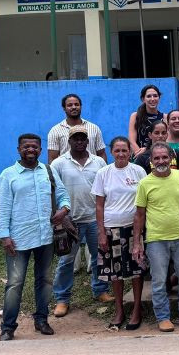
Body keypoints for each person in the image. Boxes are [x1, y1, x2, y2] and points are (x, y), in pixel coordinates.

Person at [0, 134, 71, 341]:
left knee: (44, 280)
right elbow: (2, 208)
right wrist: (4, 236)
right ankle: (8, 327)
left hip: (45, 237)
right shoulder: (9, 175)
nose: (31, 150)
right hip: (18, 240)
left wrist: (64, 210)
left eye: (35, 147)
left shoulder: (48, 171)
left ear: (40, 149)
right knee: (15, 283)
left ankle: (41, 320)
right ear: (18, 149)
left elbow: (63, 195)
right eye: (26, 146)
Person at [132, 142, 179, 332]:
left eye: (164, 157)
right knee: (159, 281)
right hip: (156, 240)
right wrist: (137, 242)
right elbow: (139, 215)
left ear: (172, 158)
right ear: (151, 161)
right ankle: (163, 317)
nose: (161, 161)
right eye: (156, 158)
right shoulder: (145, 183)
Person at [51, 125, 110, 317]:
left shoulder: (99, 162)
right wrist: (60, 215)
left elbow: (105, 190)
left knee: (99, 256)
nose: (79, 141)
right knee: (66, 261)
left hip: (95, 219)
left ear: (87, 141)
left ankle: (100, 290)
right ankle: (62, 299)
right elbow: (52, 192)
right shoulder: (59, 163)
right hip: (70, 221)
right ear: (69, 141)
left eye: (82, 138)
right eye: (75, 138)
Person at [93, 136, 147, 330]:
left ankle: (136, 309)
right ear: (111, 152)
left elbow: (144, 200)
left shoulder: (138, 171)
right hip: (111, 229)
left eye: (125, 150)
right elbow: (99, 206)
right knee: (115, 272)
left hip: (134, 229)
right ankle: (119, 309)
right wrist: (100, 233)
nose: (121, 154)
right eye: (117, 150)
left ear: (130, 152)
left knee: (136, 270)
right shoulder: (103, 173)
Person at [47, 93, 107, 163]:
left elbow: (101, 154)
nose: (74, 107)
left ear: (81, 106)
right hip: (67, 172)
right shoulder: (55, 131)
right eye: (70, 105)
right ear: (64, 108)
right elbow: (52, 158)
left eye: (76, 104)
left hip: (92, 171)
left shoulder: (94, 128)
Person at [128, 85, 164, 157]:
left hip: (158, 156)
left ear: (159, 98)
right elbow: (131, 141)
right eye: (149, 96)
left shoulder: (164, 117)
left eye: (155, 96)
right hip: (138, 156)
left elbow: (165, 141)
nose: (152, 99)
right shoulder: (135, 116)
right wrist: (141, 157)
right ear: (143, 99)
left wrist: (148, 150)